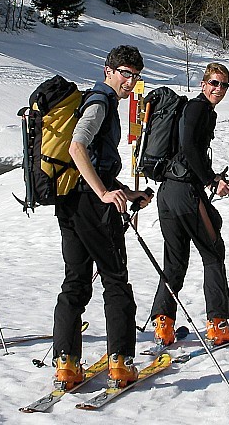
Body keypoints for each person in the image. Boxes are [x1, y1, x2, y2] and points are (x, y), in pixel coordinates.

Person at [52, 45, 152, 390]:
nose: (130, 80)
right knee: (116, 281)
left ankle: (66, 363)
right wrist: (104, 194)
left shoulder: (97, 100)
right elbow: (77, 147)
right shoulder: (101, 101)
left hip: (70, 202)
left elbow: (94, 162)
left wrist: (124, 190)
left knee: (76, 283)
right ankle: (121, 363)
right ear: (108, 69)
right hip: (92, 207)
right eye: (125, 72)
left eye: (135, 75)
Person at [149, 63, 229, 348]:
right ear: (203, 83)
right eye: (214, 83)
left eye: (223, 85)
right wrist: (211, 181)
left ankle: (163, 324)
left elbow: (189, 151)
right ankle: (218, 324)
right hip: (185, 193)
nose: (218, 89)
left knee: (175, 261)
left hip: (168, 194)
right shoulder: (199, 109)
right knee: (213, 252)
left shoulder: (198, 110)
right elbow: (188, 147)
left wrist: (210, 175)